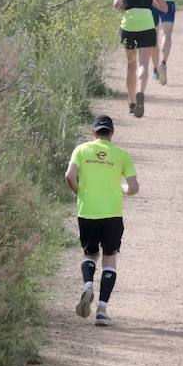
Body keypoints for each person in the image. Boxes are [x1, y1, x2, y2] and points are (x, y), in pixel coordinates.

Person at [66, 114, 139, 327]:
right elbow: (133, 187)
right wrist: (123, 189)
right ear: (112, 133)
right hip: (112, 214)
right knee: (109, 258)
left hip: (87, 211)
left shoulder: (81, 150)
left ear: (93, 132)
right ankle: (102, 310)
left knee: (90, 254)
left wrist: (80, 192)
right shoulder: (121, 155)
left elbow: (69, 176)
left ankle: (88, 284)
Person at [113, 0, 168, 118]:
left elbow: (116, 4)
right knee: (143, 63)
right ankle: (141, 92)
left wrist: (126, 7)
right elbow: (164, 8)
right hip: (147, 26)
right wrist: (151, 2)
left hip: (129, 27)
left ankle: (131, 103)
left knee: (131, 65)